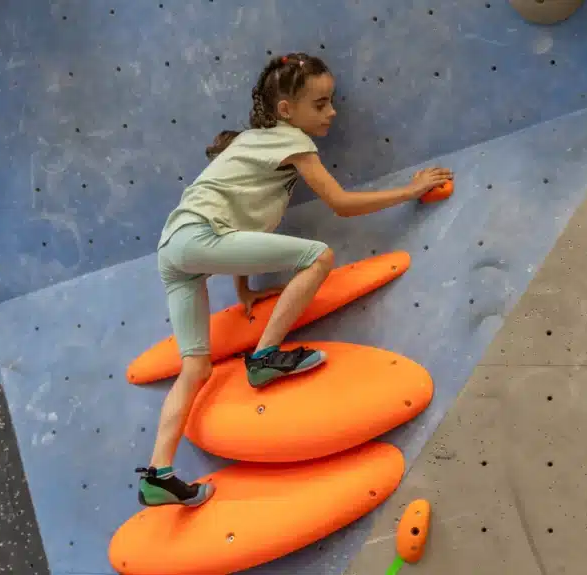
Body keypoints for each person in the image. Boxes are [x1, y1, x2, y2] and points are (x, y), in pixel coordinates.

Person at [134, 52, 454, 508]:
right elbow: (340, 203)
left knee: (196, 368)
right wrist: (411, 190)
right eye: (320, 104)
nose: (332, 113)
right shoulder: (289, 139)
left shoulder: (256, 145)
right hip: (197, 239)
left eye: (331, 102)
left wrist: (243, 288)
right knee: (318, 256)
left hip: (174, 251)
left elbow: (232, 217)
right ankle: (265, 357)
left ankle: (158, 475)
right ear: (286, 110)